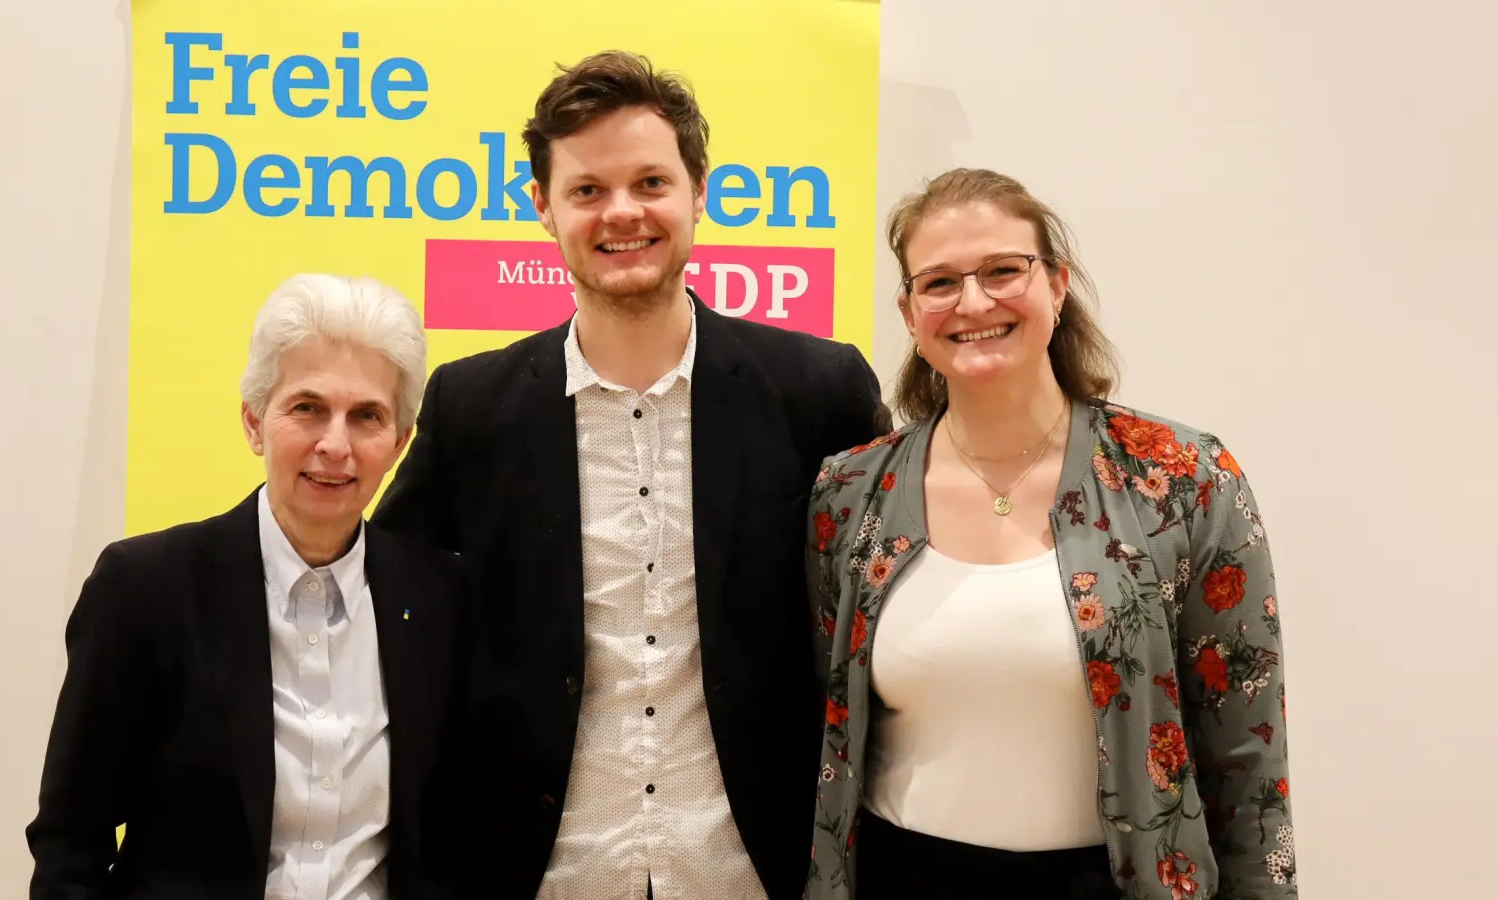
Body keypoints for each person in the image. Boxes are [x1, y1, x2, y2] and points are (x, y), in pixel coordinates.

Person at [372, 51, 883, 900]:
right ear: (541, 207)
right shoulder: (473, 406)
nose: (623, 213)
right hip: (545, 872)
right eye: (587, 190)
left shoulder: (817, 391)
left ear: (698, 192)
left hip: (755, 870)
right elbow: (383, 598)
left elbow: (889, 612)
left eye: (650, 182)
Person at [806, 169, 1297, 900]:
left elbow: (1246, 756)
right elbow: (825, 720)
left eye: (1004, 270)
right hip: (902, 877)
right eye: (939, 283)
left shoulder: (1183, 478)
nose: (974, 302)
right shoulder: (848, 496)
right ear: (909, 312)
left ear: (1058, 285)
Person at [27, 275, 471, 900]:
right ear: (255, 422)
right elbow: (72, 840)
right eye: (308, 407)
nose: (334, 445)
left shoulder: (441, 601)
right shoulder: (145, 589)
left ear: (398, 443)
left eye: (366, 416)